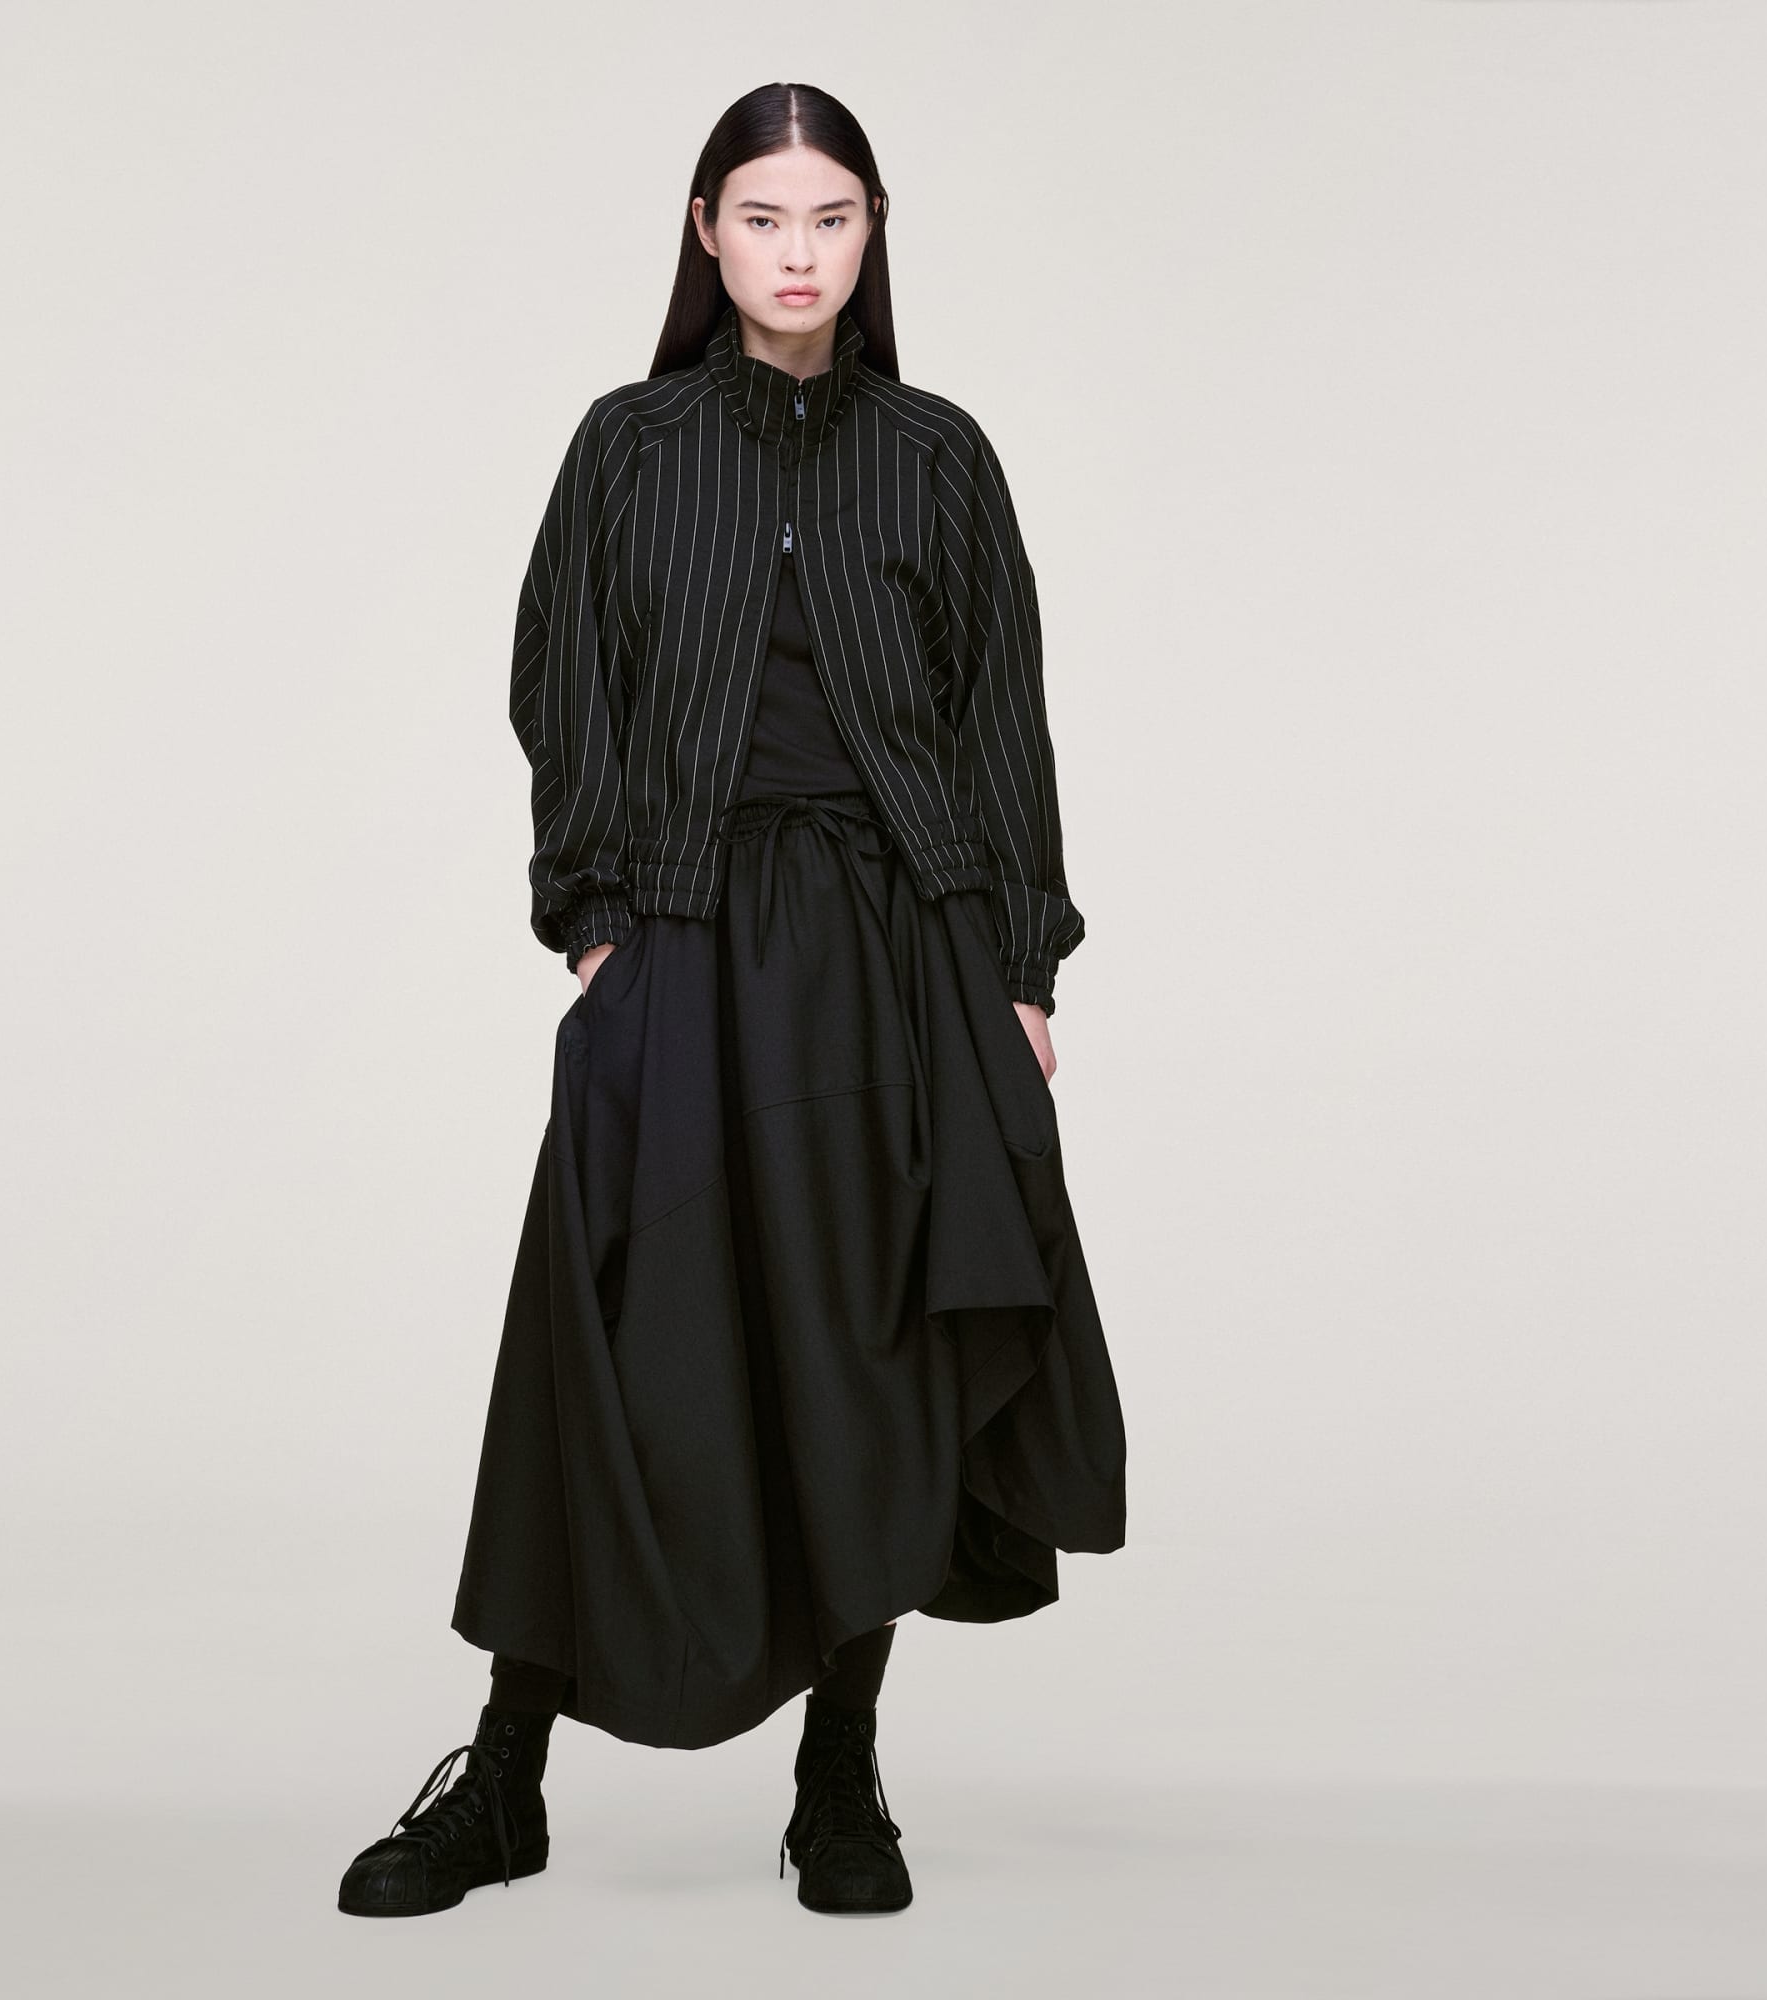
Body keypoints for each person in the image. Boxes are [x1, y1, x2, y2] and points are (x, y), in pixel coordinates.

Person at [337, 80, 1127, 1922]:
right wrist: (596, 920)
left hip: (898, 949)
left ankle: (840, 1775)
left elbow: (1002, 716)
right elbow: (561, 678)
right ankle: (507, 1776)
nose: (797, 253)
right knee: (615, 1335)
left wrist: (1019, 965)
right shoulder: (630, 445)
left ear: (872, 234)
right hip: (682, 933)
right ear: (706, 230)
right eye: (763, 218)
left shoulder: (937, 453)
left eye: (831, 218)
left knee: (869, 1346)